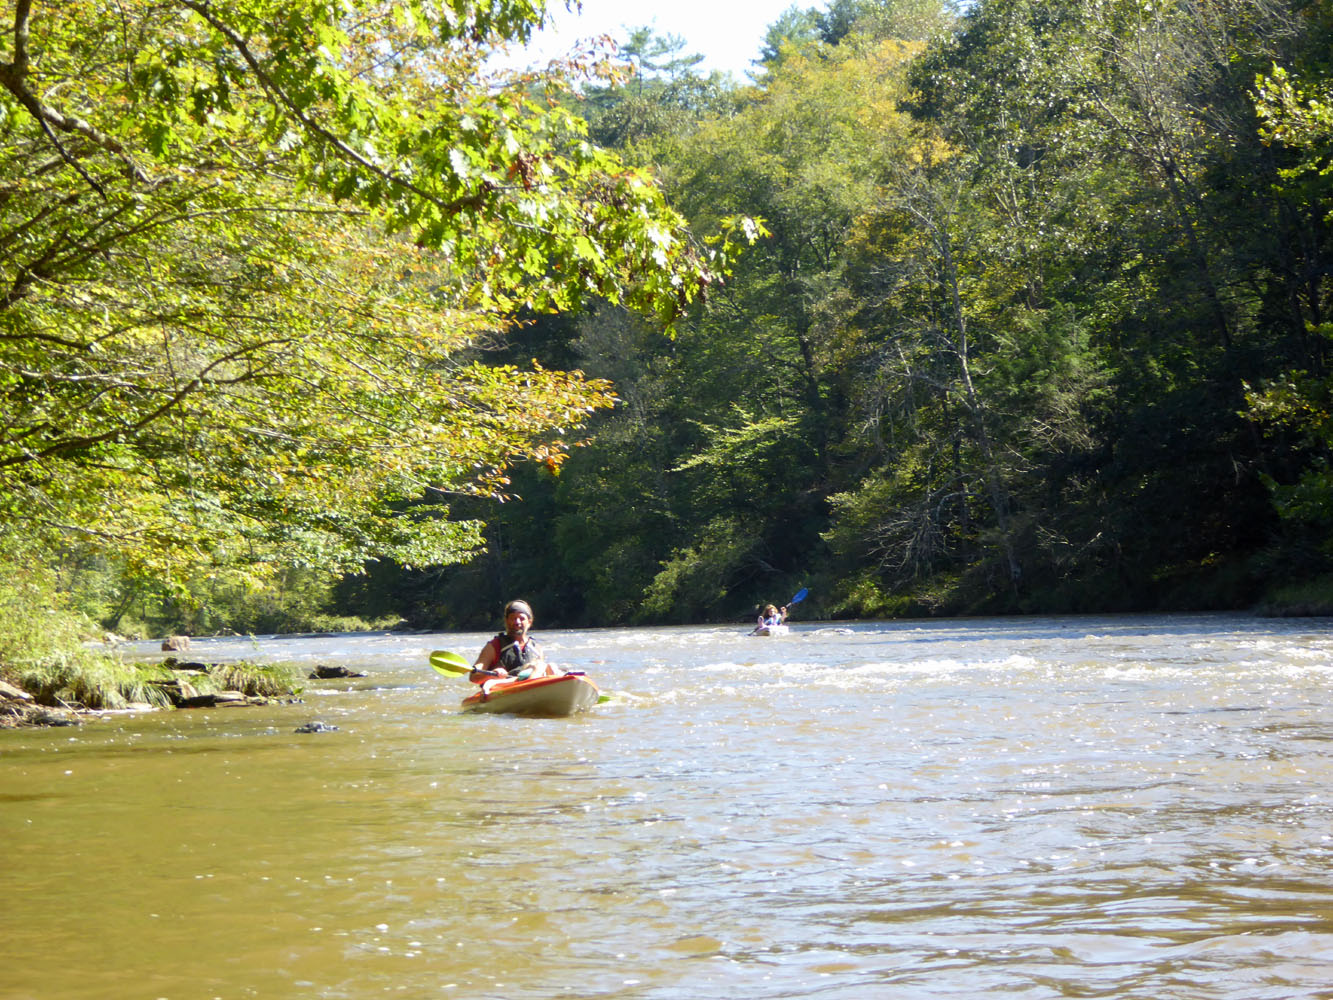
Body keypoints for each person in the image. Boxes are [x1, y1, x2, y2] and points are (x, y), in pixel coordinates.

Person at [470, 599, 562, 685]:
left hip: (528, 682)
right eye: (513, 618)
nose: (517, 622)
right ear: (506, 621)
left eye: (522, 618)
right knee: (540, 666)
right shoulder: (494, 646)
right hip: (503, 685)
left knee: (550, 666)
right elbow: (473, 677)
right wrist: (490, 675)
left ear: (529, 622)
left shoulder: (537, 648)